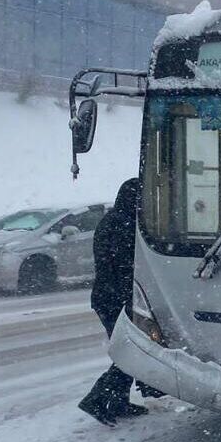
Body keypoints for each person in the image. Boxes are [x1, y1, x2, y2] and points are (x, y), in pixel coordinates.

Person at [78, 178, 148, 426]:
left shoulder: (111, 220)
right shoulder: (125, 225)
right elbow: (127, 264)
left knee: (129, 350)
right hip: (117, 298)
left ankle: (118, 401)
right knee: (133, 352)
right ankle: (97, 399)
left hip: (107, 296)